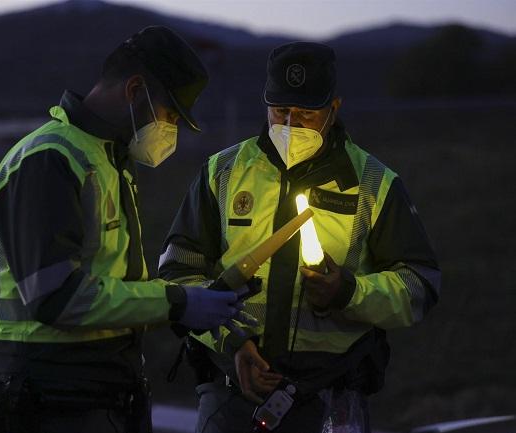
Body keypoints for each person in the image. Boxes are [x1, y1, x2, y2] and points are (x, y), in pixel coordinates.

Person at [0, 26, 251, 433]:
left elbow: (110, 282)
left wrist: (186, 302)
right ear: (135, 90)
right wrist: (176, 303)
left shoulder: (108, 159)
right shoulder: (50, 160)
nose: (169, 130)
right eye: (169, 115)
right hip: (46, 396)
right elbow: (56, 299)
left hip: (93, 391)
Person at [159, 41, 441, 433]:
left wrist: (348, 292)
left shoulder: (374, 183)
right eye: (281, 111)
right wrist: (231, 342)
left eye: (307, 113)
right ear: (265, 103)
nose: (290, 125)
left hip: (330, 400)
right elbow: (176, 271)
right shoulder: (221, 172)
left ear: (334, 109)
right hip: (230, 398)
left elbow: (419, 286)